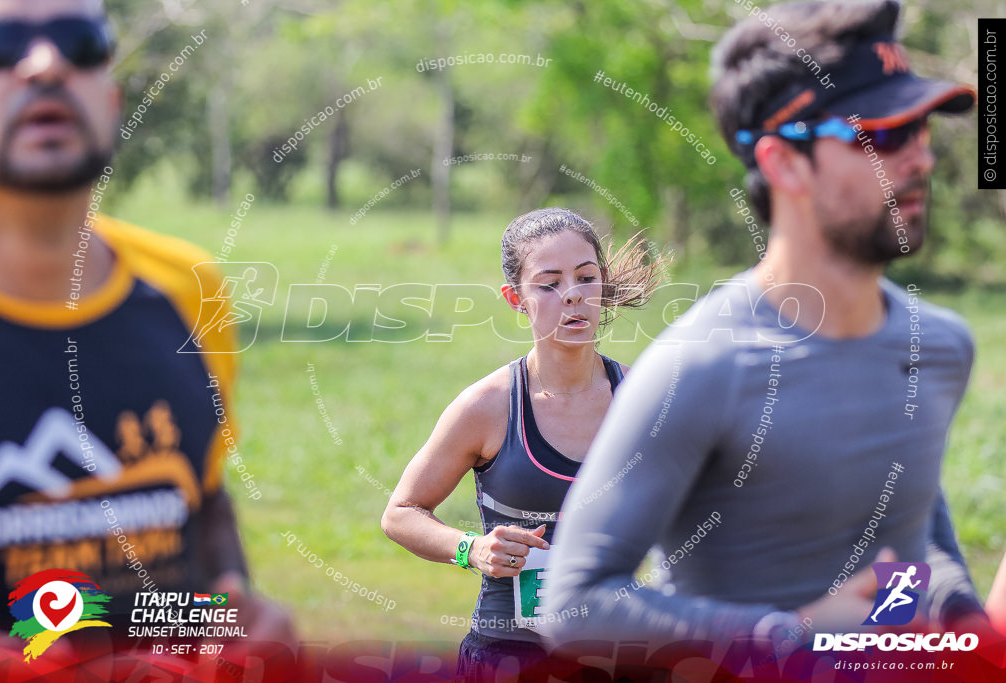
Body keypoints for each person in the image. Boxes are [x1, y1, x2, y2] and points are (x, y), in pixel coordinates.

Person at [545, 0, 991, 665]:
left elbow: (910, 542)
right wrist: (794, 640)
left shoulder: (942, 348)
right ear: (784, 162)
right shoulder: (702, 368)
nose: (922, 159)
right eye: (884, 135)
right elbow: (576, 605)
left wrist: (954, 631)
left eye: (922, 129)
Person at [0, 0, 293, 655]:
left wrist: (233, 608)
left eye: (81, 42)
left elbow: (199, 497)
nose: (46, 65)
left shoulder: (188, 285)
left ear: (112, 99)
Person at [381, 207, 664, 681]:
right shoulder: (487, 407)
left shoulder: (646, 401)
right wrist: (471, 548)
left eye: (586, 277)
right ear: (517, 298)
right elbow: (401, 513)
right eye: (548, 284)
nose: (572, 295)